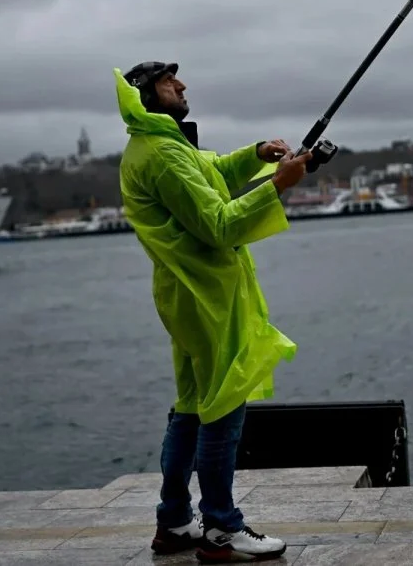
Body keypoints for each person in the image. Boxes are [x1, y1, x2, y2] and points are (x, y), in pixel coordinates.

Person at [114, 61, 311, 563]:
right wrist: (278, 185)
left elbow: (212, 174)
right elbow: (220, 224)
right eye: (168, 83)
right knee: (222, 407)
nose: (181, 86)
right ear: (148, 97)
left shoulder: (165, 145)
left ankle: (176, 521)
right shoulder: (162, 154)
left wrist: (255, 157)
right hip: (204, 298)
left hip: (187, 294)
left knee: (191, 407)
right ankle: (222, 527)